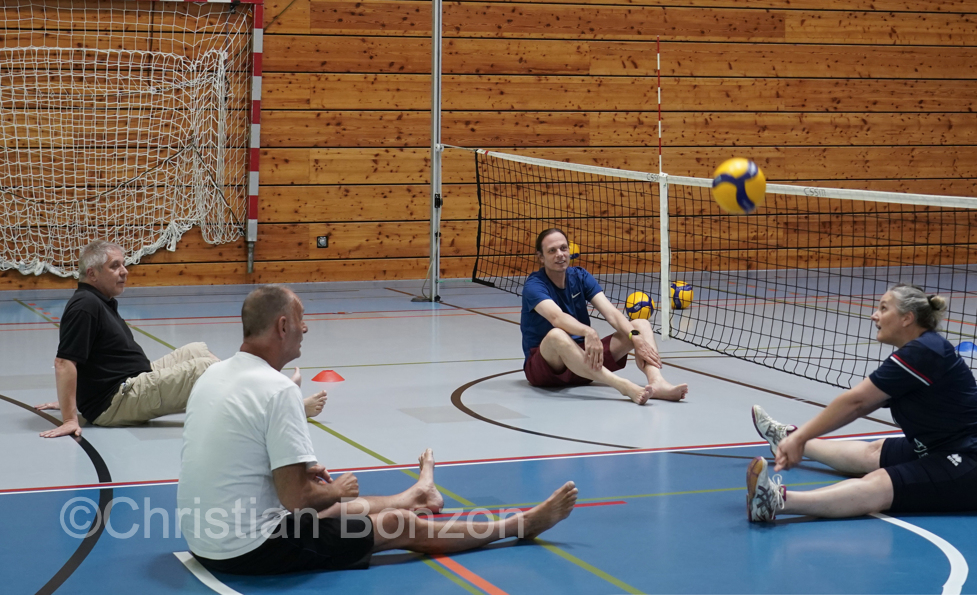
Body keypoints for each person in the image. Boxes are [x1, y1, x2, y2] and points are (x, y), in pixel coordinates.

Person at [178, 285, 578, 575]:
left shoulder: (214, 375)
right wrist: (333, 488)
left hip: (203, 537)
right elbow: (298, 499)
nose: (306, 329)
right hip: (248, 550)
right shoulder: (277, 387)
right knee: (395, 526)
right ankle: (520, 525)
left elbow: (242, 458)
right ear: (282, 326)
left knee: (335, 509)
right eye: (302, 321)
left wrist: (308, 481)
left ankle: (415, 494)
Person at [745, 284, 977, 523]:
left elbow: (857, 402)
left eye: (883, 308)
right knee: (874, 451)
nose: (874, 315)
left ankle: (775, 502)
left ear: (907, 318)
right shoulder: (920, 350)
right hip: (943, 445)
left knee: (878, 484)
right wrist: (798, 439)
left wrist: (804, 435)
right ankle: (785, 438)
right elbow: (860, 402)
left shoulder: (924, 352)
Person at [37, 240, 326, 439]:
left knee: (196, 351)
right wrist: (69, 416)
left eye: (123, 265)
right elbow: (65, 362)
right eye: (115, 266)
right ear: (92, 273)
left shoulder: (97, 300)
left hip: (133, 380)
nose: (124, 271)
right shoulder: (85, 306)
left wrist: (71, 399)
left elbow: (85, 361)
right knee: (203, 371)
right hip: (118, 399)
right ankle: (283, 403)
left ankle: (260, 387)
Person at [520, 228, 687, 404]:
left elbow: (612, 313)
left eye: (563, 248)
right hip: (547, 370)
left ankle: (657, 382)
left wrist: (635, 337)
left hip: (584, 365)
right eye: (552, 251)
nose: (560, 254)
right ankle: (623, 386)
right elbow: (557, 318)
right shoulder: (534, 285)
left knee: (640, 325)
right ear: (541, 257)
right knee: (556, 335)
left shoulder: (580, 276)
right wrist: (589, 332)